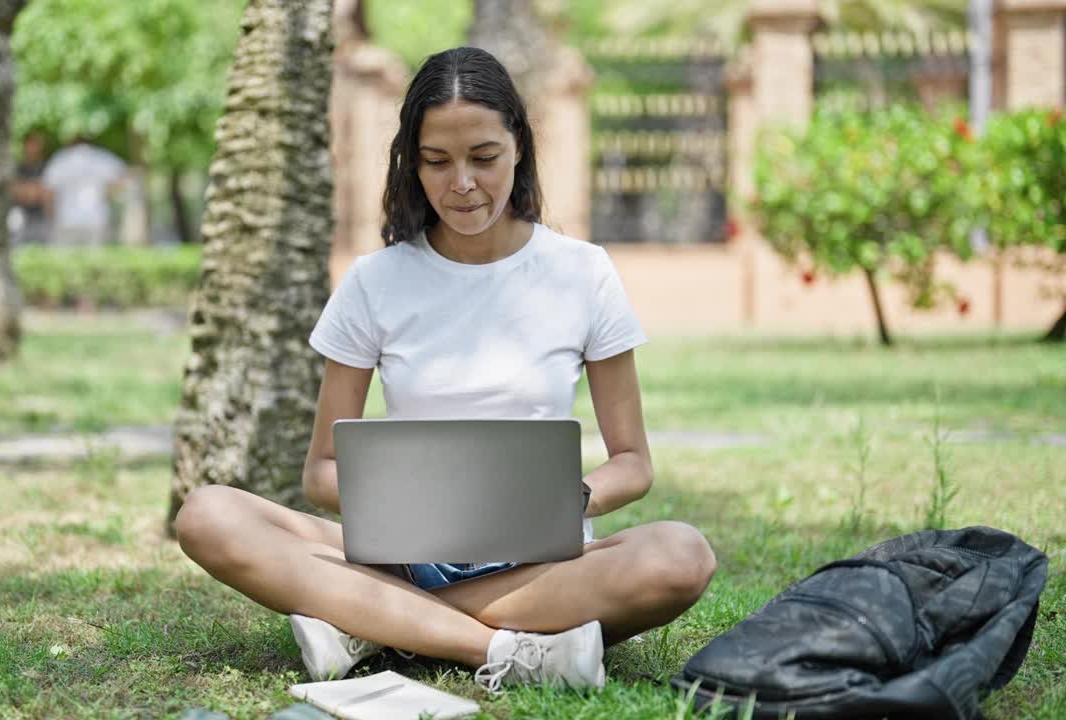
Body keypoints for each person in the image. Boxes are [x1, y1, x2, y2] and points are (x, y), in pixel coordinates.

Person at [174, 46, 716, 694]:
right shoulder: (375, 282)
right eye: (437, 162)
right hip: (403, 557)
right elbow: (320, 473)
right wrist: (410, 509)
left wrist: (564, 500)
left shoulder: (583, 272)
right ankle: (502, 648)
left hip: (540, 562)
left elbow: (634, 462)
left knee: (682, 556)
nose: (462, 183)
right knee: (207, 515)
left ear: (519, 145)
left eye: (483, 158)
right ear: (412, 161)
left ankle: (367, 621)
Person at [40, 137, 129, 246]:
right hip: (96, 220)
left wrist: (51, 218)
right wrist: (107, 195)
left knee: (64, 261)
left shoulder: (61, 159)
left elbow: (48, 192)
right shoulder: (101, 157)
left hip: (66, 219)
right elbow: (123, 180)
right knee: (95, 261)